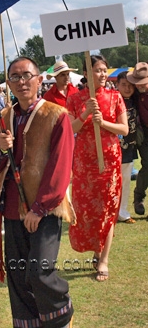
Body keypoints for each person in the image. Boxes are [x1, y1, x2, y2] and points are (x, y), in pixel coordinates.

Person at [0, 57, 75, 328]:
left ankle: (62, 314)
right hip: (12, 206)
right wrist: (2, 148)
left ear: (39, 80)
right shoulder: (6, 115)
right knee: (18, 276)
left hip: (46, 208)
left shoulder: (57, 115)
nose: (22, 81)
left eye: (27, 75)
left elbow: (60, 167)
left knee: (39, 270)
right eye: (15, 77)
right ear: (9, 83)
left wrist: (39, 208)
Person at [66, 54, 128, 282]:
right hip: (84, 161)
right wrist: (84, 114)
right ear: (86, 73)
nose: (102, 74)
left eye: (104, 70)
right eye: (97, 70)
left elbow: (124, 129)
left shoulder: (115, 96)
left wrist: (103, 123)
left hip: (109, 161)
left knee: (108, 209)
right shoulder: (75, 99)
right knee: (87, 210)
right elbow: (69, 128)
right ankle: (96, 248)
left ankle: (104, 260)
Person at [116, 71, 137, 223]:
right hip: (113, 148)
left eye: (130, 85)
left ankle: (122, 212)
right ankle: (112, 212)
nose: (127, 88)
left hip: (129, 147)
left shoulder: (134, 100)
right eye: (124, 85)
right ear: (117, 85)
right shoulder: (114, 100)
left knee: (125, 182)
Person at [127, 62, 148, 216]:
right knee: (147, 166)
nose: (139, 86)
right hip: (143, 133)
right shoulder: (132, 93)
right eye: (137, 83)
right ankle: (138, 199)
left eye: (143, 83)